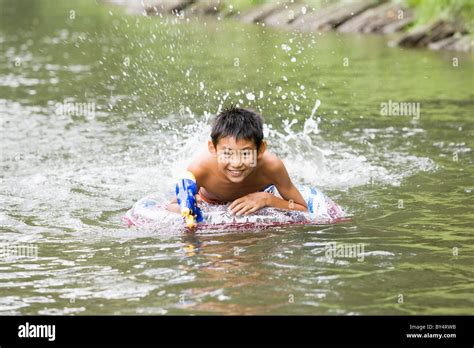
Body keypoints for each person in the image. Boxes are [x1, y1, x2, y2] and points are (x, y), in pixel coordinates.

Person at [167, 106, 308, 216]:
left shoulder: (271, 166)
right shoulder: (201, 169)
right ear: (213, 148)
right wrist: (189, 207)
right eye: (227, 153)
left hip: (262, 196)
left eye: (246, 153)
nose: (236, 163)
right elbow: (171, 206)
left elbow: (301, 208)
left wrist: (267, 199)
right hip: (211, 203)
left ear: (261, 149)